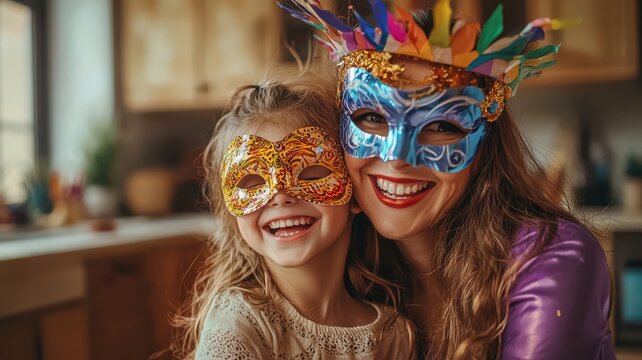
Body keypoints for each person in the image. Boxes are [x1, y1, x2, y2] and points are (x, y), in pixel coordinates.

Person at [281, 1, 615, 359]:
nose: (397, 158)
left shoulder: (550, 260)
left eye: (441, 126)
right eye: (371, 117)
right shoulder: (338, 257)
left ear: (485, 143)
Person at [173, 71, 415, 359]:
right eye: (253, 181)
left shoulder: (395, 333)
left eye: (312, 172)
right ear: (231, 207)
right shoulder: (239, 326)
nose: (282, 195)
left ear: (354, 190)